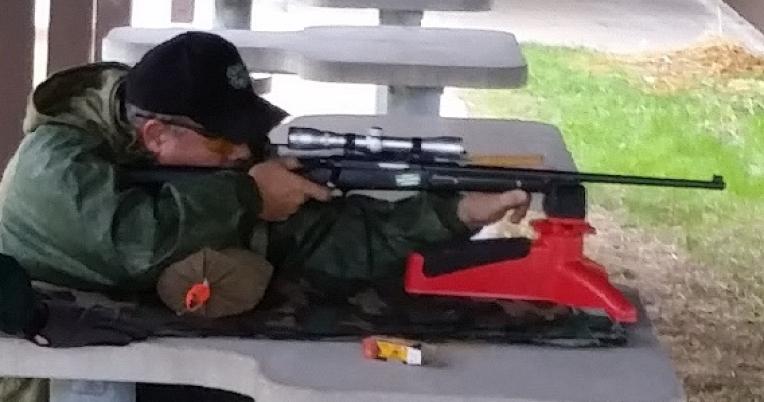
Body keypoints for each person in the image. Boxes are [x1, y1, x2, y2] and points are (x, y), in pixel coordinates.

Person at [0, 31, 529, 401]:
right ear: (157, 135)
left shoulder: (208, 164)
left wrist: (455, 213)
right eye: (227, 139)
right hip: (48, 378)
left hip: (159, 347)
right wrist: (249, 198)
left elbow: (324, 237)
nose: (242, 152)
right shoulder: (51, 168)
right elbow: (133, 246)